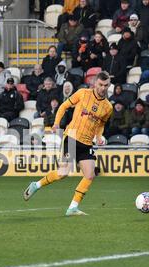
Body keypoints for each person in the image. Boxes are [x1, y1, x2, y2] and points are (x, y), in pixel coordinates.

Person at [23, 72, 113, 216]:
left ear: (109, 85)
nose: (103, 88)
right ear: (95, 83)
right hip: (71, 137)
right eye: (101, 85)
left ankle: (72, 208)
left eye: (106, 85)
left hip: (87, 143)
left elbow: (101, 124)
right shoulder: (83, 93)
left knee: (90, 175)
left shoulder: (108, 107)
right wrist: (56, 123)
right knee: (63, 173)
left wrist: (99, 136)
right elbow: (64, 106)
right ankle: (36, 185)